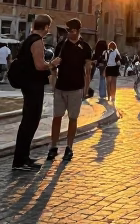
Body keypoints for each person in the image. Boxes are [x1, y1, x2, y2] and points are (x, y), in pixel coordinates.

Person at [12, 15, 55, 172]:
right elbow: (39, 65)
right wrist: (52, 64)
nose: (48, 29)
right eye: (48, 26)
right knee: (30, 121)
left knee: (29, 120)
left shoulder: (30, 39)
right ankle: (20, 161)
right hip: (33, 85)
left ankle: (23, 158)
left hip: (29, 84)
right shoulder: (37, 41)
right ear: (45, 27)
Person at [47, 18, 92, 162]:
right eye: (67, 30)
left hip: (76, 88)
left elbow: (88, 70)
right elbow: (53, 66)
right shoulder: (61, 44)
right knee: (57, 117)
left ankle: (69, 147)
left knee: (73, 118)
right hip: (60, 87)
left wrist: (86, 89)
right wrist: (53, 78)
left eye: (70, 30)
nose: (68, 33)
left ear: (77, 31)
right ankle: (53, 146)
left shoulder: (85, 47)